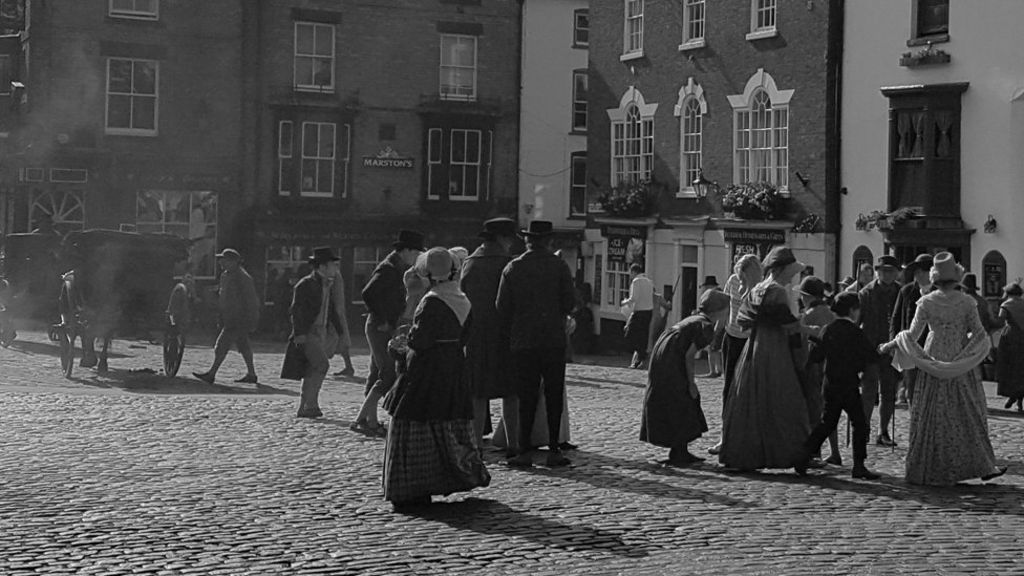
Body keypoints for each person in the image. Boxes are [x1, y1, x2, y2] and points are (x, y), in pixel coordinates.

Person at [879, 252, 1006, 486]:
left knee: (932, 412)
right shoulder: (967, 301)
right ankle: (978, 463)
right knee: (967, 410)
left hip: (934, 355)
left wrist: (890, 344)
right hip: (960, 357)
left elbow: (912, 334)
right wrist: (967, 352)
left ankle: (930, 465)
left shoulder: (926, 301)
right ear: (956, 277)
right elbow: (979, 333)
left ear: (934, 277)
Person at [382, 247, 490, 509]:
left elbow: (420, 340)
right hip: (453, 366)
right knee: (448, 420)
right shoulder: (462, 300)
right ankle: (452, 474)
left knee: (412, 420)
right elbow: (466, 336)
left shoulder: (431, 301)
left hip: (426, 369)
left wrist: (401, 346)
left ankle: (413, 487)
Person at [718, 247, 813, 474]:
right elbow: (788, 324)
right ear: (781, 269)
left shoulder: (757, 289)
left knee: (751, 399)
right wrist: (808, 330)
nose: (792, 276)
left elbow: (742, 320)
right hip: (774, 348)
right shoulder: (777, 290)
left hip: (754, 346)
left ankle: (747, 452)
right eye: (790, 271)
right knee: (783, 399)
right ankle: (791, 453)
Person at [497, 220, 576, 468]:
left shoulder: (513, 268)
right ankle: (554, 449)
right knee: (553, 396)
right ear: (549, 241)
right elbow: (569, 302)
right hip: (553, 339)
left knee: (526, 396)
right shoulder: (559, 266)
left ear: (527, 241)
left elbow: (502, 307)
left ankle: (523, 450)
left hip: (523, 341)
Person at [640, 290, 730, 465]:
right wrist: (691, 383)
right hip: (672, 359)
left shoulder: (694, 319)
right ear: (719, 311)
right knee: (682, 399)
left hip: (663, 353)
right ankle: (679, 452)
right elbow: (689, 356)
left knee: (676, 400)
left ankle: (679, 449)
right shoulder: (705, 326)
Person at [352, 230, 425, 436]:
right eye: (416, 252)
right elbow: (368, 292)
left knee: (377, 372)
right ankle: (362, 419)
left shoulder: (397, 267)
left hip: (384, 325)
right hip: (379, 326)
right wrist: (383, 319)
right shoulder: (389, 268)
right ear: (407, 250)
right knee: (388, 373)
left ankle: (369, 420)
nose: (417, 257)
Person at [802, 292, 880, 480]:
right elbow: (870, 356)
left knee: (827, 422)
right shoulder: (856, 332)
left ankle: (803, 455)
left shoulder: (828, 329)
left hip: (830, 383)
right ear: (853, 311)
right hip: (848, 384)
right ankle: (859, 465)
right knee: (859, 424)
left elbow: (816, 356)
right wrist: (883, 351)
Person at [462, 218, 519, 452]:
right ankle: (513, 443)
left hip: (476, 334)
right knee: (511, 393)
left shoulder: (470, 263)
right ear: (503, 239)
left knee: (478, 393)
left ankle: (475, 445)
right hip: (505, 334)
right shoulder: (508, 264)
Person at [708, 254, 762, 456]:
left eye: (742, 274)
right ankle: (726, 436)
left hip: (750, 341)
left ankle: (750, 439)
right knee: (728, 390)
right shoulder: (732, 281)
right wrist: (716, 334)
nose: (739, 277)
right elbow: (726, 311)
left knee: (749, 391)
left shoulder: (761, 288)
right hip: (731, 338)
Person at [291, 247, 347, 418]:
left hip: (321, 331)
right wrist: (299, 333)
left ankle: (305, 406)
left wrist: (340, 331)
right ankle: (310, 404)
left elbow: (329, 309)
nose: (336, 268)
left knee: (311, 368)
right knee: (322, 364)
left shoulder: (326, 284)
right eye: (333, 265)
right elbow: (296, 310)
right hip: (309, 332)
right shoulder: (306, 284)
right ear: (322, 266)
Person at [193, 249, 261, 385]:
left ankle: (211, 374)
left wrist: (251, 318)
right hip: (228, 316)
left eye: (225, 260)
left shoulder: (243, 278)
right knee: (244, 345)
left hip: (238, 318)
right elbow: (223, 295)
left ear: (234, 262)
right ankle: (252, 374)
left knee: (221, 345)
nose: (221, 262)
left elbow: (251, 300)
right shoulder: (226, 275)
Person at [855, 255, 901, 447]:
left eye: (891, 271)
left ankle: (883, 431)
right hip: (871, 348)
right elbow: (857, 321)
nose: (887, 274)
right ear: (878, 271)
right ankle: (864, 429)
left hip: (892, 348)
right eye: (884, 271)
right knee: (869, 391)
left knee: (889, 392)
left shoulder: (901, 292)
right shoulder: (866, 293)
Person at [797, 275, 838, 465]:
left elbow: (802, 344)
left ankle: (815, 451)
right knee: (829, 410)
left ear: (807, 297)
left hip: (814, 364)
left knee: (814, 410)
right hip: (831, 365)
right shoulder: (832, 314)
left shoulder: (808, 315)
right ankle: (835, 451)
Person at [890, 253, 933, 406]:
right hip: (909, 348)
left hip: (932, 349)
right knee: (912, 390)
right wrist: (893, 342)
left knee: (931, 391)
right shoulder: (906, 291)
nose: (917, 275)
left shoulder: (940, 292)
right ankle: (915, 423)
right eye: (915, 272)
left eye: (920, 272)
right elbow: (896, 319)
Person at [996, 282, 1024, 411]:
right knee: (1021, 368)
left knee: (1009, 367)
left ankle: (1012, 394)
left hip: (1011, 337)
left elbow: (1000, 320)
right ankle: (1019, 399)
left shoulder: (1006, 305)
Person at [621, 263, 655, 369]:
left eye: (630, 273)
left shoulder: (636, 281)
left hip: (639, 312)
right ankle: (639, 359)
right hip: (648, 312)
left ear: (634, 272)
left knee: (630, 335)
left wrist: (624, 302)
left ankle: (642, 356)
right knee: (642, 337)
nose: (630, 275)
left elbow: (633, 298)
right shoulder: (650, 282)